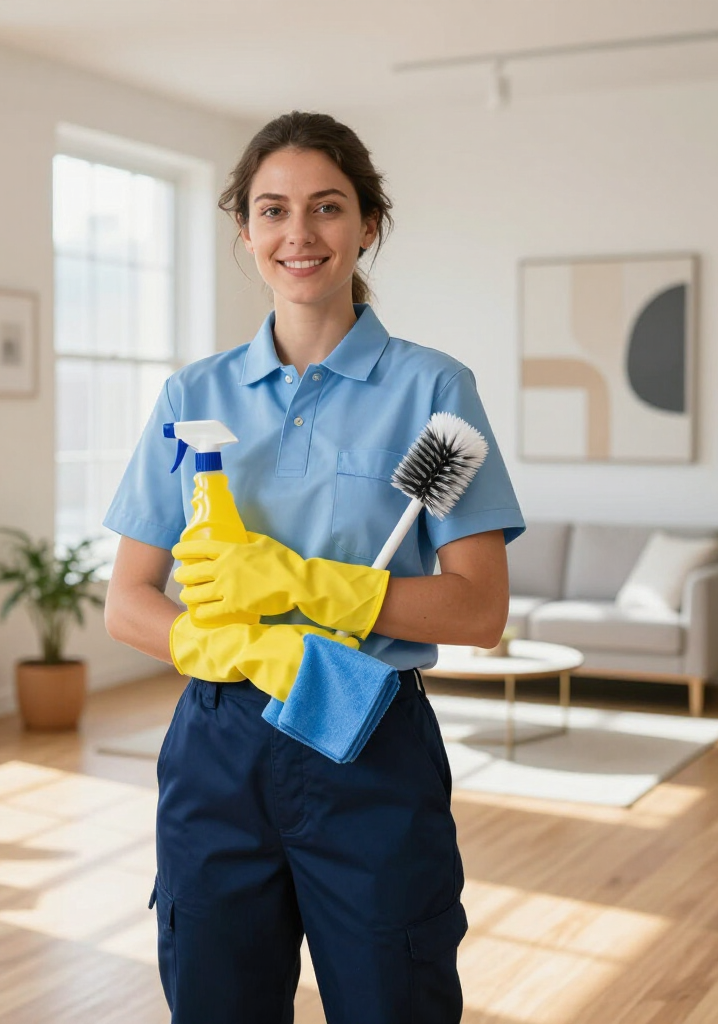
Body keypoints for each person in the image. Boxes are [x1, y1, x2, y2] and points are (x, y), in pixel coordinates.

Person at [103, 111, 525, 1024]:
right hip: (219, 749)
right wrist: (230, 652)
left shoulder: (432, 389)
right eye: (273, 210)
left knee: (392, 1000)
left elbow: (480, 609)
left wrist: (307, 583)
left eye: (327, 208)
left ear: (368, 224)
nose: (299, 234)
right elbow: (126, 603)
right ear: (245, 232)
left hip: (368, 737)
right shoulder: (194, 395)